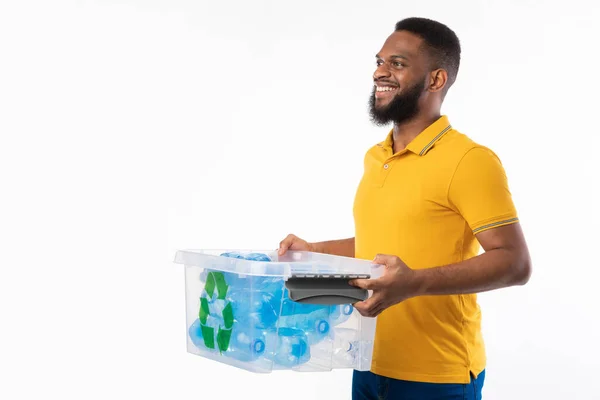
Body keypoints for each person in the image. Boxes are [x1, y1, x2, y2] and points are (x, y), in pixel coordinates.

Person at [277, 17, 532, 400]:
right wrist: (313, 251)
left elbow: (514, 263)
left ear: (436, 79)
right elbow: (379, 242)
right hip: (368, 360)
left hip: (436, 376)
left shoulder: (470, 160)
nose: (380, 72)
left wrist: (413, 283)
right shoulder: (376, 156)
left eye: (397, 63)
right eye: (379, 61)